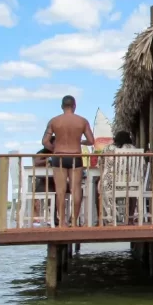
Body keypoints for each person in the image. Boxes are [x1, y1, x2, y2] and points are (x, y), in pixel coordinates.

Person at [41, 95, 95, 227]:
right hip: (75, 156)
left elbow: (45, 141)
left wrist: (54, 149)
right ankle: (75, 222)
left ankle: (62, 223)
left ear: (62, 106)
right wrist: (80, 141)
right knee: (75, 189)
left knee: (60, 190)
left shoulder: (54, 121)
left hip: (59, 156)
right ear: (74, 106)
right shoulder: (82, 121)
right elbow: (91, 141)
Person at [98, 130, 135, 225]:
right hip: (130, 184)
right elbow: (140, 166)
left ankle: (104, 218)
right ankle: (130, 218)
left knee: (98, 187)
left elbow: (100, 164)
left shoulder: (108, 148)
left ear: (115, 139)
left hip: (111, 184)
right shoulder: (134, 149)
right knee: (133, 192)